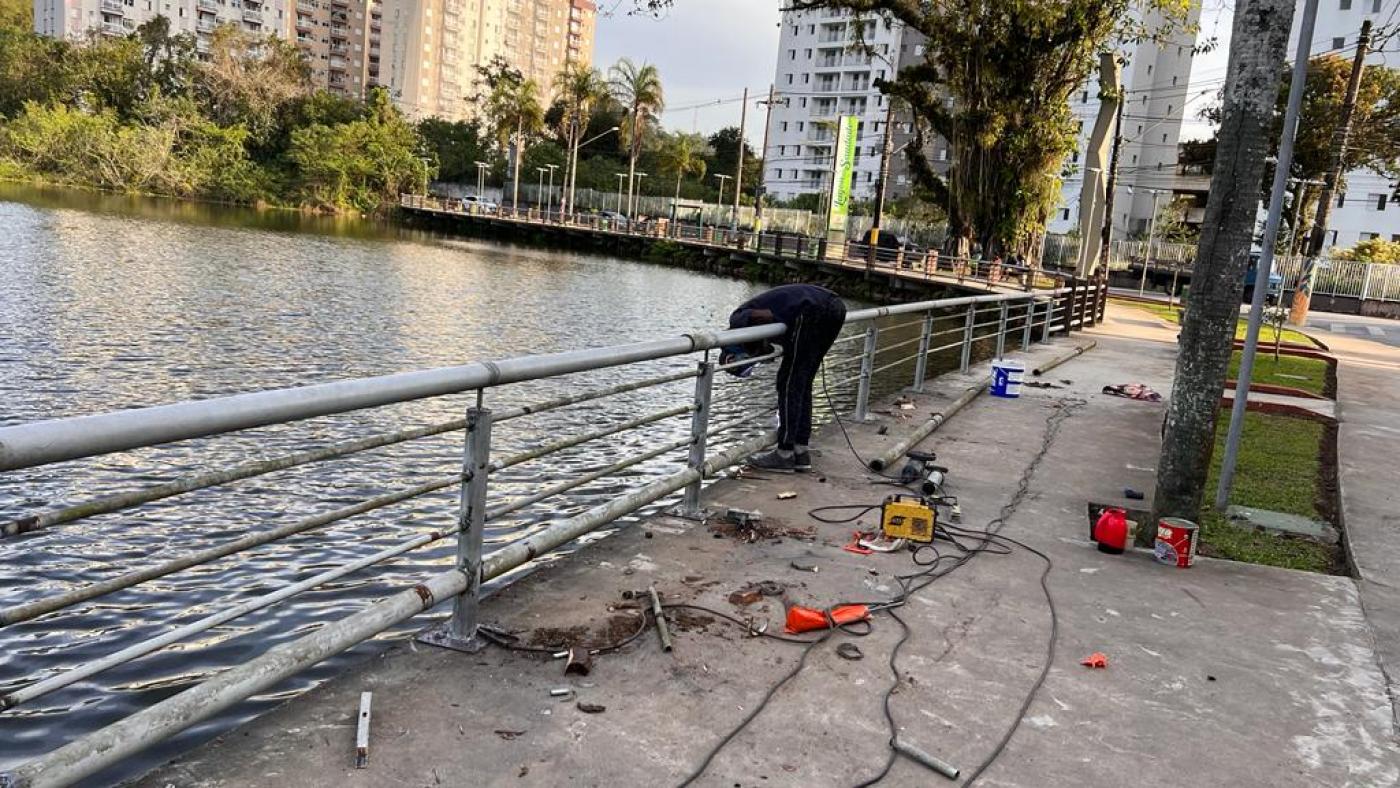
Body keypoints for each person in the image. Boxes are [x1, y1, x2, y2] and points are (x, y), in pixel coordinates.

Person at [720, 284, 847, 472]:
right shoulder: (756, 314)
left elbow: (762, 316)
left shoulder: (738, 317)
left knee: (788, 383)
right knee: (803, 382)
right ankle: (801, 452)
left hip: (811, 310)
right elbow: (768, 342)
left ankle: (784, 453)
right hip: (835, 307)